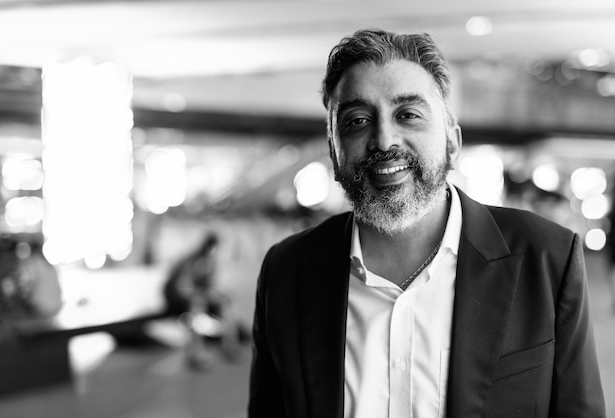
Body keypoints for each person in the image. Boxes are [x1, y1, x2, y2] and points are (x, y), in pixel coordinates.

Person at [248, 29, 605, 417]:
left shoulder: (546, 258)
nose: (384, 141)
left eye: (408, 115)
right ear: (334, 153)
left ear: (452, 142)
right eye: (357, 120)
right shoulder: (286, 273)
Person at [164, 233, 242, 370]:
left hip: (199, 297)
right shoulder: (190, 262)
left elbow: (210, 286)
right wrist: (200, 294)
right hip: (178, 300)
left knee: (225, 303)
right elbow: (181, 288)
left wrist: (218, 295)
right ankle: (197, 352)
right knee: (197, 304)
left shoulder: (211, 262)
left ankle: (230, 345)